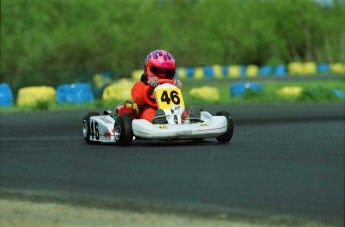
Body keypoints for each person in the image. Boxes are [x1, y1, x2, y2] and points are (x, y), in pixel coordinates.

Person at [131, 50, 187, 123]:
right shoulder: (141, 84)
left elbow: (176, 100)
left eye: (166, 72)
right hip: (151, 109)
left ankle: (189, 119)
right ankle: (158, 120)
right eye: (159, 71)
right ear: (148, 68)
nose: (163, 75)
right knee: (148, 114)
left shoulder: (172, 84)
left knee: (181, 110)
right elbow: (138, 99)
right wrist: (149, 88)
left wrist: (178, 89)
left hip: (172, 109)